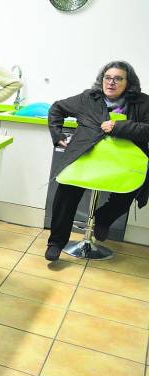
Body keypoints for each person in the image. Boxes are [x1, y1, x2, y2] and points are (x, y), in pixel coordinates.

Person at [45, 61, 149, 261]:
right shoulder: (88, 98)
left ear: (129, 82)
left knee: (132, 186)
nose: (111, 82)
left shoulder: (143, 103)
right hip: (86, 156)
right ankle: (56, 242)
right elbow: (57, 108)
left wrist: (119, 127)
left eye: (118, 78)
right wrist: (57, 135)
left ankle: (104, 218)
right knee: (66, 192)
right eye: (107, 78)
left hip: (124, 162)